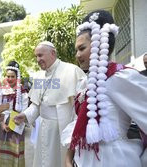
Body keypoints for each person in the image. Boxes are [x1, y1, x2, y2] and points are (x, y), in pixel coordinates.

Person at [61, 10, 147, 167]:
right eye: (76, 50)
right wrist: (68, 158)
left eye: (82, 48)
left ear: (99, 45)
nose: (77, 55)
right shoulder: (84, 83)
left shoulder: (119, 77)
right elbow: (78, 123)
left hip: (113, 159)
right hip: (83, 160)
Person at [14, 41, 85, 167]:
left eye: (40, 55)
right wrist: (25, 115)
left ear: (53, 53)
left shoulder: (71, 71)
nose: (38, 59)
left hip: (62, 128)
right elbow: (36, 105)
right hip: (44, 127)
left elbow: (80, 108)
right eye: (36, 56)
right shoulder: (39, 76)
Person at [0, 60, 29, 167]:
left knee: (15, 153)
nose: (10, 79)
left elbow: (24, 112)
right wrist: (2, 124)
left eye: (12, 76)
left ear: (17, 77)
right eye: (8, 76)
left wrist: (12, 126)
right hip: (4, 125)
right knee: (4, 152)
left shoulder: (23, 93)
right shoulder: (2, 91)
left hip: (16, 126)